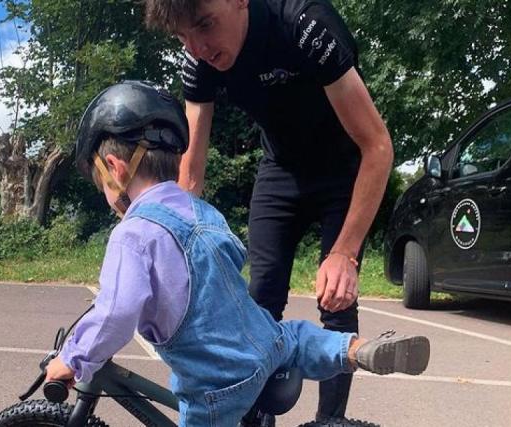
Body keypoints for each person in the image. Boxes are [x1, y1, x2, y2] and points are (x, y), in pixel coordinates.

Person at [45, 80, 428, 427]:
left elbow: (116, 311)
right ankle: (357, 349)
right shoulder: (201, 211)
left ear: (114, 167)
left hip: (220, 382)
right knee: (295, 337)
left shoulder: (133, 234)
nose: (106, 196)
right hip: (265, 341)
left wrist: (73, 358)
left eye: (102, 185)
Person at [142, 0, 395, 420]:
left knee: (336, 299)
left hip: (344, 168)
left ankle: (329, 420)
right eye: (183, 37)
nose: (198, 47)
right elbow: (190, 173)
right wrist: (168, 241)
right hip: (280, 170)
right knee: (259, 301)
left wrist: (344, 253)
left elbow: (378, 147)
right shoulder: (198, 59)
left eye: (205, 25)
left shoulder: (305, 26)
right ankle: (255, 416)